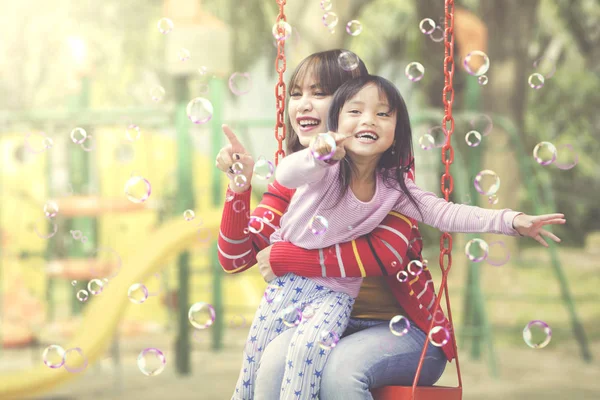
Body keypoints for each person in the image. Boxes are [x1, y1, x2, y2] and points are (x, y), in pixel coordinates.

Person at [216, 51, 565, 400]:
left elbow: (382, 254)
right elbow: (236, 258)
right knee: (271, 363)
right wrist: (240, 188)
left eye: (318, 93)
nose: (304, 105)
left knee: (338, 372)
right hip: (326, 320)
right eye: (296, 94)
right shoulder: (304, 175)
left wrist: (512, 220)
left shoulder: (395, 187)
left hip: (402, 331)